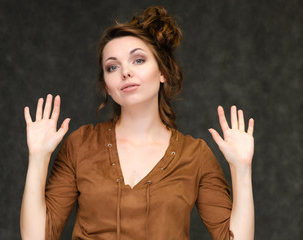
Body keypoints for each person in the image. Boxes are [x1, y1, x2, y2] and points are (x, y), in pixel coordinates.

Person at [20, 6, 254, 240]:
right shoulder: (80, 145)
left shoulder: (196, 156)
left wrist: (241, 169)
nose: (125, 72)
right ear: (106, 87)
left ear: (163, 72)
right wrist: (38, 157)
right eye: (113, 67)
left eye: (138, 60)